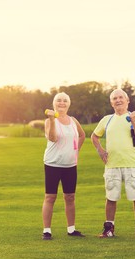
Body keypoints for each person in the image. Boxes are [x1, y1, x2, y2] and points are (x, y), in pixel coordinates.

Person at [91, 88, 135, 239]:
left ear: (127, 100)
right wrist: (100, 150)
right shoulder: (107, 119)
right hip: (112, 165)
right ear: (111, 103)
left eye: (121, 97)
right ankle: (109, 229)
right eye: (114, 98)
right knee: (111, 198)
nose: (118, 100)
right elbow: (94, 136)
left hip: (132, 164)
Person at [42, 92, 86, 240]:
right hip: (53, 164)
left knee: (70, 197)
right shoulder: (49, 121)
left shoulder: (73, 120)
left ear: (69, 104)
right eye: (59, 100)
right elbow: (53, 138)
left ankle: (71, 229)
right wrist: (52, 118)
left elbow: (82, 135)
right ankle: (47, 231)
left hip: (70, 165)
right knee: (50, 197)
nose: (62, 103)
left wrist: (76, 151)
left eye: (65, 101)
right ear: (54, 103)